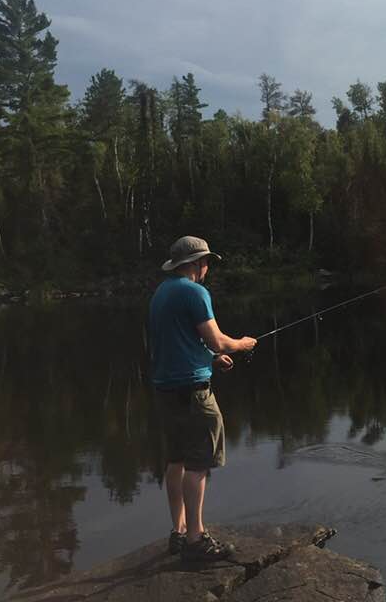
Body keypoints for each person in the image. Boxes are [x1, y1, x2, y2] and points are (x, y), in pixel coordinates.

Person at [149, 235, 257, 565]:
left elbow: (177, 341)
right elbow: (219, 340)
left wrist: (207, 359)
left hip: (166, 390)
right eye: (206, 261)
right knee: (198, 464)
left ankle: (179, 533)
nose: (208, 267)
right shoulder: (195, 292)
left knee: (176, 460)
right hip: (194, 394)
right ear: (196, 264)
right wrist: (242, 344)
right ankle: (196, 541)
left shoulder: (161, 293)